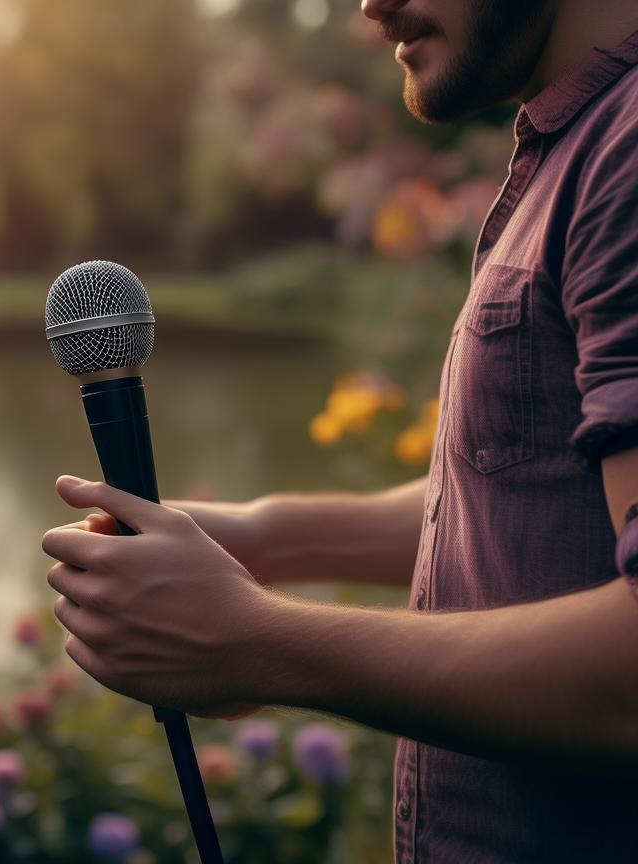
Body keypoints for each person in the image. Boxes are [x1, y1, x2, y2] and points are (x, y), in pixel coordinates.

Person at [41, 1, 638, 861]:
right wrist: (268, 536)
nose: (367, 2)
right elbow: (538, 492)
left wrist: (255, 641)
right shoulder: (577, 139)